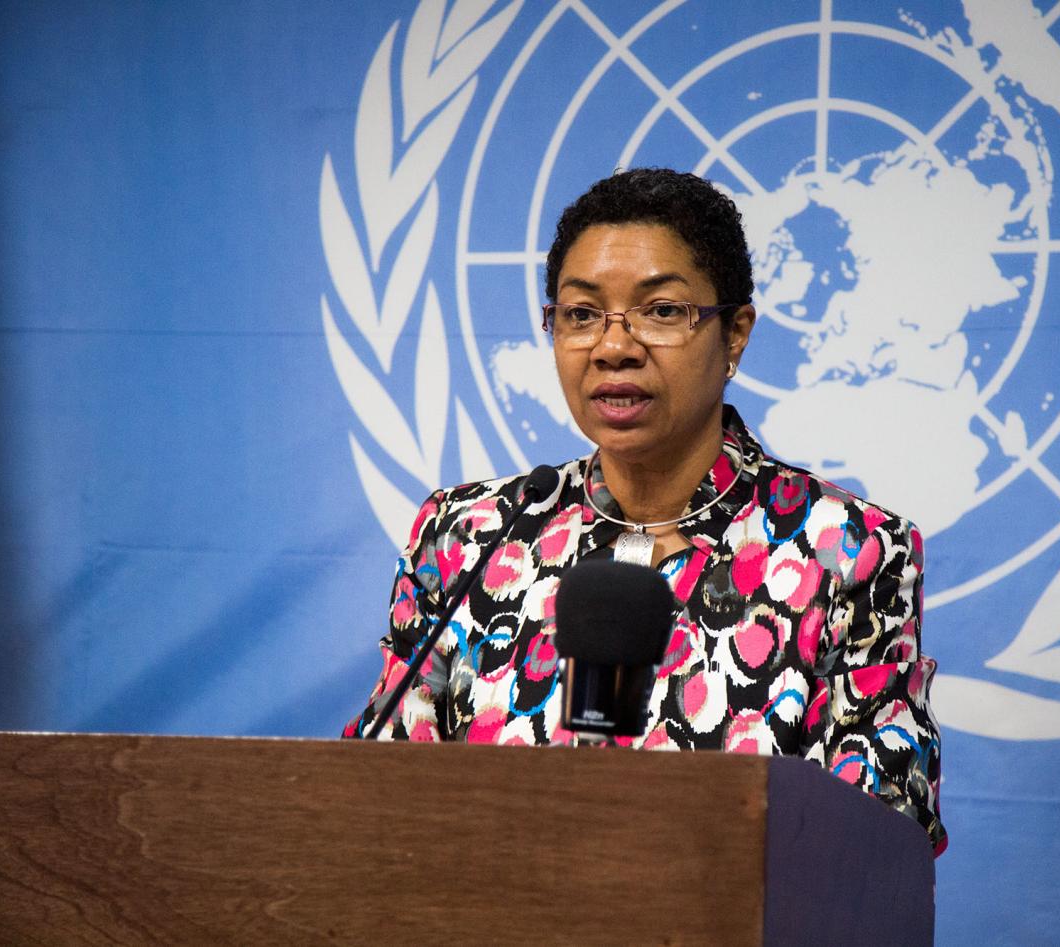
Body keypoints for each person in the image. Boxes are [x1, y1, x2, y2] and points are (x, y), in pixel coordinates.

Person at [345, 168, 946, 854]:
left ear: (735, 333)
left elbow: (882, 834)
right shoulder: (467, 535)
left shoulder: (849, 549)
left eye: (661, 311)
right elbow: (378, 792)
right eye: (581, 314)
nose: (613, 347)